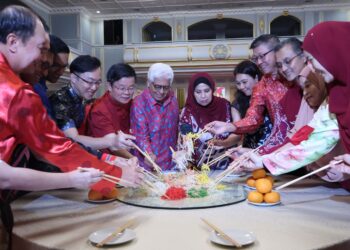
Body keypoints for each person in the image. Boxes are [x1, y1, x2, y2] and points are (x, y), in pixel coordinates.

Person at [0, 5, 142, 246]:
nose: (45, 60)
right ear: (13, 41)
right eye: (42, 50)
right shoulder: (13, 90)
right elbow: (58, 147)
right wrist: (115, 174)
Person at [206, 34, 302, 154]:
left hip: (308, 140)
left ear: (277, 51)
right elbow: (254, 117)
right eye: (255, 58)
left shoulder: (296, 73)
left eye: (262, 56)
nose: (259, 62)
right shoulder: (262, 86)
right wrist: (228, 126)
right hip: (282, 148)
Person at [50, 55, 135, 152]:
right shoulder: (60, 101)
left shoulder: (85, 98)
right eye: (89, 82)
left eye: (97, 82)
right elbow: (74, 139)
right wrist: (112, 141)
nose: (94, 87)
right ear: (73, 78)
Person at [302, 21, 350, 181]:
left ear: (331, 51)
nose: (312, 68)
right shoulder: (337, 93)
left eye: (310, 59)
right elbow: (314, 134)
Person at [179, 72, 238, 170]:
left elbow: (238, 133)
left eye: (207, 91)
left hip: (226, 167)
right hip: (197, 170)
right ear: (192, 92)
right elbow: (185, 141)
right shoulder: (188, 112)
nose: (203, 96)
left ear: (212, 89)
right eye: (198, 92)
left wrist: (224, 143)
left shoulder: (225, 106)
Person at [131, 63, 179, 171]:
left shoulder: (173, 100)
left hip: (171, 163)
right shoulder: (139, 103)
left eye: (165, 87)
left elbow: (176, 130)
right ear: (149, 83)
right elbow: (141, 136)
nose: (161, 92)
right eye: (157, 86)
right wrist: (148, 154)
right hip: (149, 164)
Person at [89, 63, 136, 158]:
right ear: (109, 86)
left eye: (131, 88)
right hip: (109, 161)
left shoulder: (132, 103)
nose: (127, 93)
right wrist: (135, 160)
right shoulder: (99, 110)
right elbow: (113, 146)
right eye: (121, 88)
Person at [232, 60, 272, 149]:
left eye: (244, 82)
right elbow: (237, 133)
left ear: (256, 78)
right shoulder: (237, 103)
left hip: (270, 148)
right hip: (248, 149)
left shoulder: (269, 96)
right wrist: (223, 143)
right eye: (238, 83)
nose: (241, 87)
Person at [34, 34, 70, 118]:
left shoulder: (41, 86)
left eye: (64, 67)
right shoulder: (35, 87)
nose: (61, 72)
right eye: (56, 65)